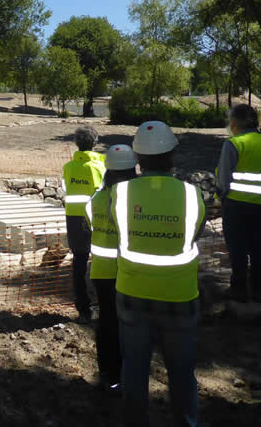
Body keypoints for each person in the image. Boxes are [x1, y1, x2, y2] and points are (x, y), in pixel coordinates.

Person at [110, 121, 206, 427]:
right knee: (182, 371)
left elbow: (117, 231)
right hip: (180, 296)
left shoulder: (120, 193)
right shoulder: (192, 195)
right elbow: (194, 234)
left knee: (135, 369)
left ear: (138, 157)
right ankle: (187, 421)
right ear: (172, 155)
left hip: (132, 294)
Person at [85, 144, 137, 391]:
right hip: (128, 272)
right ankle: (130, 372)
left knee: (106, 322)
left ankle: (109, 374)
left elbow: (90, 222)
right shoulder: (134, 200)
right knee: (131, 324)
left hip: (101, 272)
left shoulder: (97, 198)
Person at [216, 104, 261, 303]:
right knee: (257, 244)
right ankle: (259, 285)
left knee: (237, 248)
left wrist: (222, 197)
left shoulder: (233, 143)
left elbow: (224, 178)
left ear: (235, 122)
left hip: (235, 203)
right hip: (260, 204)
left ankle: (239, 288)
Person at [62, 126, 106, 323]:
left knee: (78, 264)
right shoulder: (100, 167)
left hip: (73, 220)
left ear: (76, 143)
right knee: (102, 263)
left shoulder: (68, 168)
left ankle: (83, 310)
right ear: (95, 143)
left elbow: (66, 189)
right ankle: (105, 306)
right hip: (97, 220)